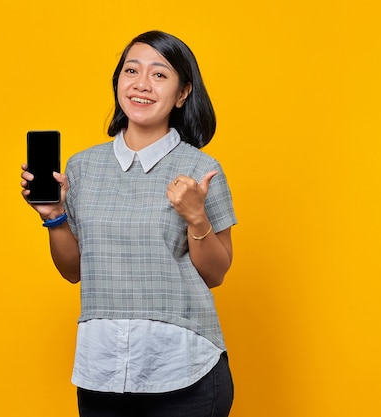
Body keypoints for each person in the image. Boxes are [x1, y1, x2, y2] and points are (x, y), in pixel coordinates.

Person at [21, 30, 237, 417]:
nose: (141, 84)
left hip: (183, 366)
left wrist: (195, 215)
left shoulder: (201, 169)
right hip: (102, 368)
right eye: (131, 71)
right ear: (118, 82)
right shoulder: (82, 167)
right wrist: (54, 217)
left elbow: (216, 272)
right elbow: (73, 270)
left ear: (183, 93)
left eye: (159, 74)